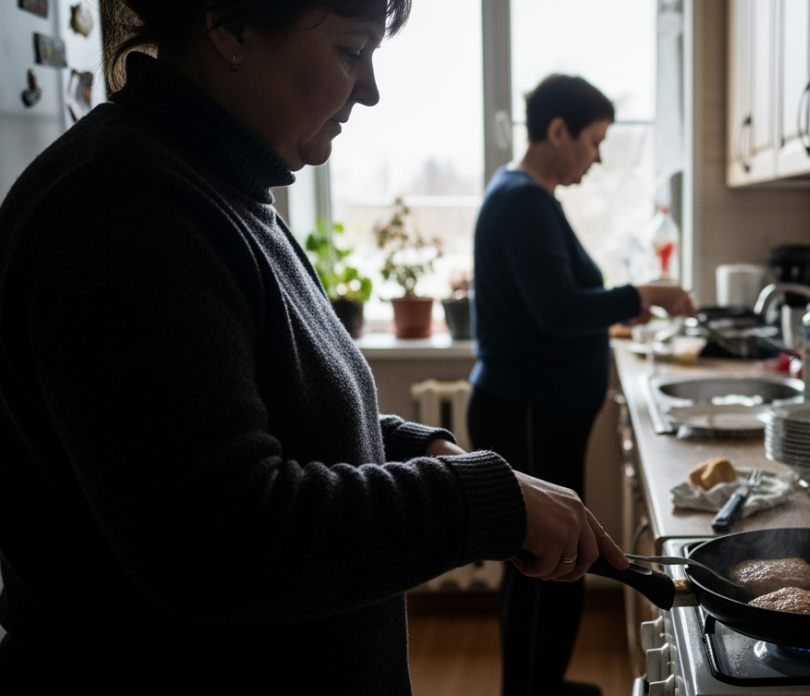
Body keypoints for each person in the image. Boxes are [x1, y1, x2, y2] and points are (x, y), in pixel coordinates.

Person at [0, 2, 627, 694]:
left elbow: (280, 412)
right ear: (230, 26)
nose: (370, 89)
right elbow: (224, 538)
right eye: (350, 52)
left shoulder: (220, 188)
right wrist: (480, 502)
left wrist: (422, 450)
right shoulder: (119, 210)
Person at [468, 75, 695, 696]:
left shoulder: (524, 196)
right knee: (550, 558)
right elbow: (559, 309)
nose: (597, 157)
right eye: (593, 141)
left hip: (535, 406)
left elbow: (555, 306)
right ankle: (533, 691)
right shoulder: (524, 201)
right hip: (530, 408)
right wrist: (645, 294)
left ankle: (540, 684)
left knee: (549, 557)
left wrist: (625, 304)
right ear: (557, 130)